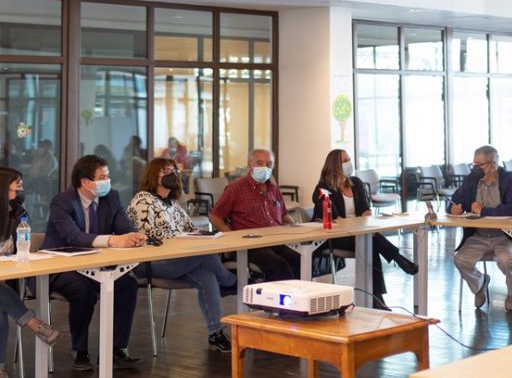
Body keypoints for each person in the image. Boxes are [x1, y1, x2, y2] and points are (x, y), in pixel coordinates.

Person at [43, 155, 145, 371]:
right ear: (85, 182)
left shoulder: (112, 197)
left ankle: (116, 350)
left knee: (127, 284)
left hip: (97, 265)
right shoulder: (62, 201)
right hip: (62, 266)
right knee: (82, 290)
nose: (108, 180)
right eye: (102, 177)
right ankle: (80, 351)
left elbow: (124, 228)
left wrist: (134, 237)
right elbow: (72, 236)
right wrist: (112, 240)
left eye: (108, 175)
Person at [127, 158, 237, 352]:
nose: (171, 174)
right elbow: (148, 236)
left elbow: (190, 228)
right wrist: (182, 239)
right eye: (165, 171)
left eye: (173, 170)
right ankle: (230, 281)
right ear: (154, 175)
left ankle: (215, 333)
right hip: (151, 262)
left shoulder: (173, 203)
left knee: (207, 277)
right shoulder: (143, 200)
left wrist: (197, 236)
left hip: (178, 260)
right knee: (204, 254)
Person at [310, 149, 418, 311]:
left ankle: (376, 299)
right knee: (370, 241)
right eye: (345, 160)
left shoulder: (356, 183)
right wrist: (361, 226)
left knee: (370, 244)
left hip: (359, 234)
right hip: (334, 237)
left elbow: (365, 210)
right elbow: (336, 219)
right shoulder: (323, 188)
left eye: (349, 159)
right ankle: (397, 260)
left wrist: (366, 223)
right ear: (335, 165)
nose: (349, 163)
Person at [0, 168, 61, 378]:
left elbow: (20, 250)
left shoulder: (19, 213)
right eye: (17, 184)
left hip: (8, 281)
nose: (21, 189)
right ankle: (34, 324)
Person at [209, 148, 302, 281]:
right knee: (278, 265)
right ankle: (276, 300)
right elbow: (215, 216)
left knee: (300, 258)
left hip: (277, 240)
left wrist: (296, 227)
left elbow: (284, 215)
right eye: (260, 163)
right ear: (250, 165)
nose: (265, 167)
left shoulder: (273, 189)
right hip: (252, 244)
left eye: (269, 164)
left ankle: (298, 297)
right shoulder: (235, 189)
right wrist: (232, 236)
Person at [450, 145, 512, 312]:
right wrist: (454, 208)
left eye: (479, 165)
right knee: (460, 260)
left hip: (504, 235)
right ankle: (480, 283)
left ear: (493, 164)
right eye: (474, 164)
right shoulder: (471, 180)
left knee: (506, 260)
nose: (475, 168)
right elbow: (454, 200)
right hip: (478, 236)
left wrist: (483, 211)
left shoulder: (509, 180)